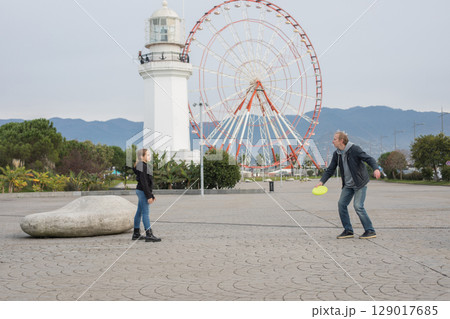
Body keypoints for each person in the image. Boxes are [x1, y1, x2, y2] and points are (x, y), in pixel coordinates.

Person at [316, 131, 381, 239]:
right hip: (348, 185)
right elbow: (330, 169)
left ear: (341, 141)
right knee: (341, 204)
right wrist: (321, 182)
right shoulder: (337, 153)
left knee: (358, 206)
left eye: (334, 139)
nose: (332, 141)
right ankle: (348, 230)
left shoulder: (354, 149)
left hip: (359, 183)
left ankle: (370, 230)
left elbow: (369, 159)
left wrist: (376, 169)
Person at [132, 149, 161, 242]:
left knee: (139, 212)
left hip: (140, 191)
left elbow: (146, 183)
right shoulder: (142, 166)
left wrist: (151, 194)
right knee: (145, 213)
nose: (149, 156)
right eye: (147, 155)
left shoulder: (141, 165)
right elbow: (144, 182)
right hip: (142, 191)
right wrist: (149, 196)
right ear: (141, 156)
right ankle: (149, 234)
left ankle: (136, 233)